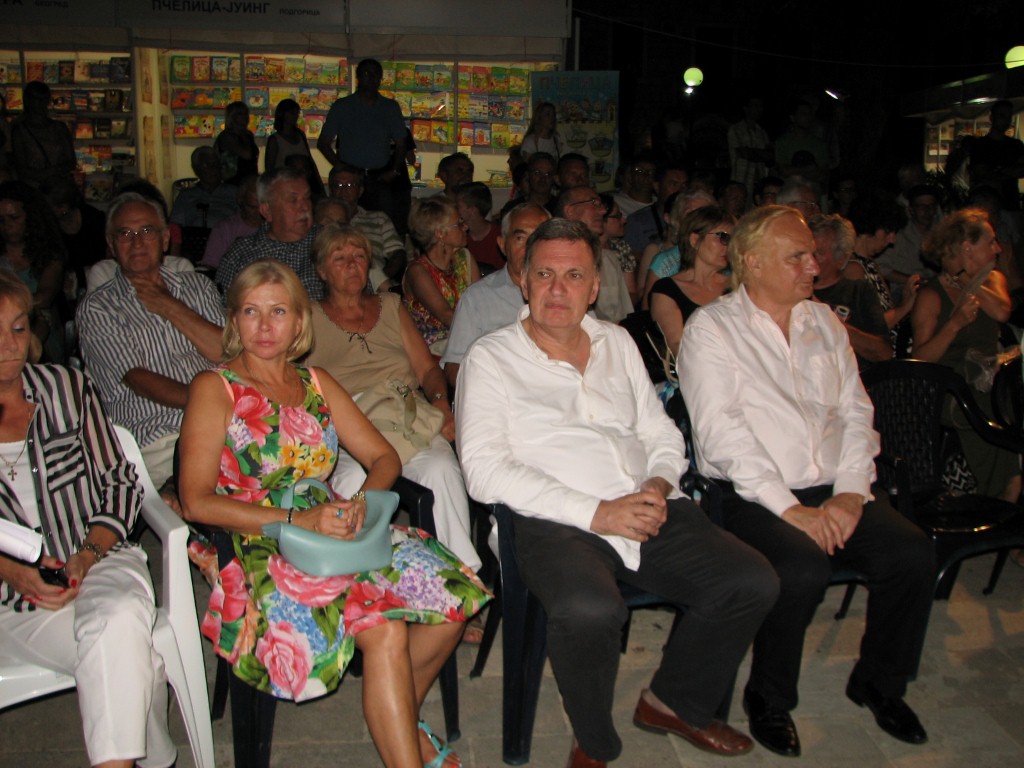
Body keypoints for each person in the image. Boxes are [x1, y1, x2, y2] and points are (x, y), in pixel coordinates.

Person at [456, 217, 778, 768]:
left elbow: (660, 432)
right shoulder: (492, 358)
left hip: (644, 501)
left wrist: (658, 482)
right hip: (553, 519)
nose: (558, 289)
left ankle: (673, 702)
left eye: (574, 275)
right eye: (545, 274)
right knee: (589, 610)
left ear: (595, 286)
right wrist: (597, 512)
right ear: (524, 282)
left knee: (750, 580)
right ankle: (594, 741)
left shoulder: (617, 341)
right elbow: (483, 471)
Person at [179, 259, 489, 767]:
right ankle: (406, 752)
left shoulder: (316, 382)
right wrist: (293, 522)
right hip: (256, 541)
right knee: (385, 629)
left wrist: (359, 504)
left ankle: (401, 719)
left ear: (300, 322)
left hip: (330, 529)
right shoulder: (216, 388)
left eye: (278, 311)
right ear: (233, 321)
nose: (264, 325)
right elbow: (196, 500)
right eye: (251, 312)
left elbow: (383, 457)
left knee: (456, 594)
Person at [679, 205, 935, 758]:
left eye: (812, 256)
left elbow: (856, 411)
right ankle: (769, 698)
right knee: (801, 567)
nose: (814, 267)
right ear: (752, 262)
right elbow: (722, 436)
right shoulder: (712, 329)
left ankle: (879, 681)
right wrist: (789, 508)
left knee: (911, 553)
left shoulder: (822, 322)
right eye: (797, 257)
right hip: (751, 494)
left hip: (833, 487)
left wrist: (851, 493)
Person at [0, 271, 176, 768]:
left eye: (17, 328)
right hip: (11, 600)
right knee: (132, 653)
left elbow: (120, 480)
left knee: (116, 620)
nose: (8, 346)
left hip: (100, 559)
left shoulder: (67, 387)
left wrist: (87, 553)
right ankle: (156, 759)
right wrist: (13, 571)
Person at [306, 223, 481, 576]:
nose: (352, 264)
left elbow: (427, 369)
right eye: (339, 258)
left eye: (359, 256)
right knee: (351, 482)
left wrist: (440, 404)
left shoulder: (390, 305)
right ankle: (369, 577)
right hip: (347, 418)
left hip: (404, 411)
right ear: (321, 270)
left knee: (440, 467)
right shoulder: (307, 316)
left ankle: (459, 575)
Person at [76, 192, 223, 490]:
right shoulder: (98, 307)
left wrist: (169, 305)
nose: (137, 242)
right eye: (125, 234)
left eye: (147, 231)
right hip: (159, 435)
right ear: (111, 244)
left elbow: (225, 352)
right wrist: (209, 403)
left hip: (226, 424)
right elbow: (138, 379)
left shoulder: (198, 287)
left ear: (165, 239)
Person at [912, 207, 1019, 500]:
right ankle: (1002, 496)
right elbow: (919, 361)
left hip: (990, 382)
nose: (998, 248)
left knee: (1004, 398)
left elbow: (1001, 311)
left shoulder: (992, 280)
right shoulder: (932, 295)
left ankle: (1006, 495)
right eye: (990, 242)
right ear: (967, 247)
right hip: (952, 389)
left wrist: (967, 280)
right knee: (996, 407)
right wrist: (954, 324)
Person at [441, 202, 550, 388]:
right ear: (502, 244)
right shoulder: (478, 298)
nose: (531, 247)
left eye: (539, 238)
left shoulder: (569, 293)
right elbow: (455, 366)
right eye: (521, 238)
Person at [317, 58, 409, 232]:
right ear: (358, 76)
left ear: (381, 78)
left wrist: (395, 170)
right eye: (367, 73)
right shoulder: (342, 106)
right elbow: (323, 143)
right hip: (349, 178)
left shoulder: (390, 107)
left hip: (379, 178)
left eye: (375, 74)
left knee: (381, 226)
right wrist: (340, 167)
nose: (371, 77)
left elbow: (402, 143)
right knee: (341, 223)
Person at [216, 167, 322, 301]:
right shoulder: (241, 254)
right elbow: (224, 306)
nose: (305, 207)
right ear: (267, 211)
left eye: (307, 198)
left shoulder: (328, 242)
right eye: (293, 200)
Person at [809, 213, 892, 370]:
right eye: (804, 252)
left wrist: (832, 322)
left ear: (840, 258)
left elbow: (883, 353)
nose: (808, 259)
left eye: (817, 253)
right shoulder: (793, 292)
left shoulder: (859, 291)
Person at [649, 205, 734, 357]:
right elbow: (676, 347)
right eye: (722, 237)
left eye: (732, 240)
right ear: (695, 240)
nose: (728, 246)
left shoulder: (736, 285)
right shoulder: (667, 290)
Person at [402, 196, 480, 355]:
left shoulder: (464, 258)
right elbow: (447, 316)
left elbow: (480, 302)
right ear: (440, 234)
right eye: (459, 223)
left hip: (464, 340)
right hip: (430, 350)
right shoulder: (418, 271)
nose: (465, 226)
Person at [0, 180, 66, 362]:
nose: (7, 226)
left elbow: (45, 296)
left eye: (14, 218)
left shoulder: (49, 255)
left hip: (41, 333)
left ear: (30, 218)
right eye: (1, 220)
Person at [842, 192, 916, 350]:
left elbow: (887, 312)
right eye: (888, 232)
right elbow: (868, 327)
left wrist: (905, 300)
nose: (892, 240)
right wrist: (905, 307)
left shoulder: (870, 264)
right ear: (870, 228)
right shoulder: (853, 268)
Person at [327, 163, 407, 287]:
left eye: (349, 185)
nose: (343, 190)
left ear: (360, 190)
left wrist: (381, 278)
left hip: (375, 280)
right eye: (338, 185)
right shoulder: (323, 220)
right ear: (331, 189)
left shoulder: (379, 219)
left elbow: (398, 254)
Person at [641, 197, 719, 309]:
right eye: (690, 214)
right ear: (677, 220)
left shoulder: (724, 263)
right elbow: (647, 310)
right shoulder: (665, 261)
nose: (696, 221)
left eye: (704, 215)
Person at [40, 176, 108, 295]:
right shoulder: (47, 229)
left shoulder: (95, 219)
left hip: (101, 283)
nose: (56, 211)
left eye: (59, 206)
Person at [8, 81, 76, 189]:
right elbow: (20, 167)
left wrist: (52, 172)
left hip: (56, 187)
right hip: (34, 189)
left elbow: (71, 162)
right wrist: (47, 174)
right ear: (29, 101)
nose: (40, 103)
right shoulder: (19, 131)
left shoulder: (59, 128)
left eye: (43, 99)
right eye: (37, 99)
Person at [169, 146, 240, 230]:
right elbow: (175, 225)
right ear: (196, 169)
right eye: (206, 165)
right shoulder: (186, 196)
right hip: (195, 236)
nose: (213, 169)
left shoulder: (234, 192)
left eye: (215, 164)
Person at [201, 174, 262, 270]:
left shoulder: (276, 227)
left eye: (263, 206)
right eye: (252, 207)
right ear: (241, 201)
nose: (259, 212)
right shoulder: (224, 228)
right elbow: (210, 265)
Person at [728, 95, 774, 196]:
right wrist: (761, 154)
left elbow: (770, 156)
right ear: (746, 108)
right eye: (755, 106)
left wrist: (753, 152)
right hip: (741, 181)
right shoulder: (736, 129)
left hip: (759, 182)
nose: (759, 109)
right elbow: (743, 153)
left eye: (761, 106)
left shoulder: (762, 132)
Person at [454, 181, 503, 274]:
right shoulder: (456, 236)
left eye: (458, 206)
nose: (454, 210)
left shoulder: (501, 236)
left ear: (472, 210)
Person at [214, 101, 259, 185]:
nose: (245, 117)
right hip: (233, 182)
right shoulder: (226, 136)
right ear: (232, 117)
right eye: (240, 114)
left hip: (250, 179)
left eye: (246, 113)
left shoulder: (248, 135)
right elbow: (246, 154)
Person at [264, 98, 312, 172]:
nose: (296, 116)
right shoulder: (274, 140)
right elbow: (269, 168)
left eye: (297, 113)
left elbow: (310, 160)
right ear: (283, 114)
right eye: (292, 113)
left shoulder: (300, 134)